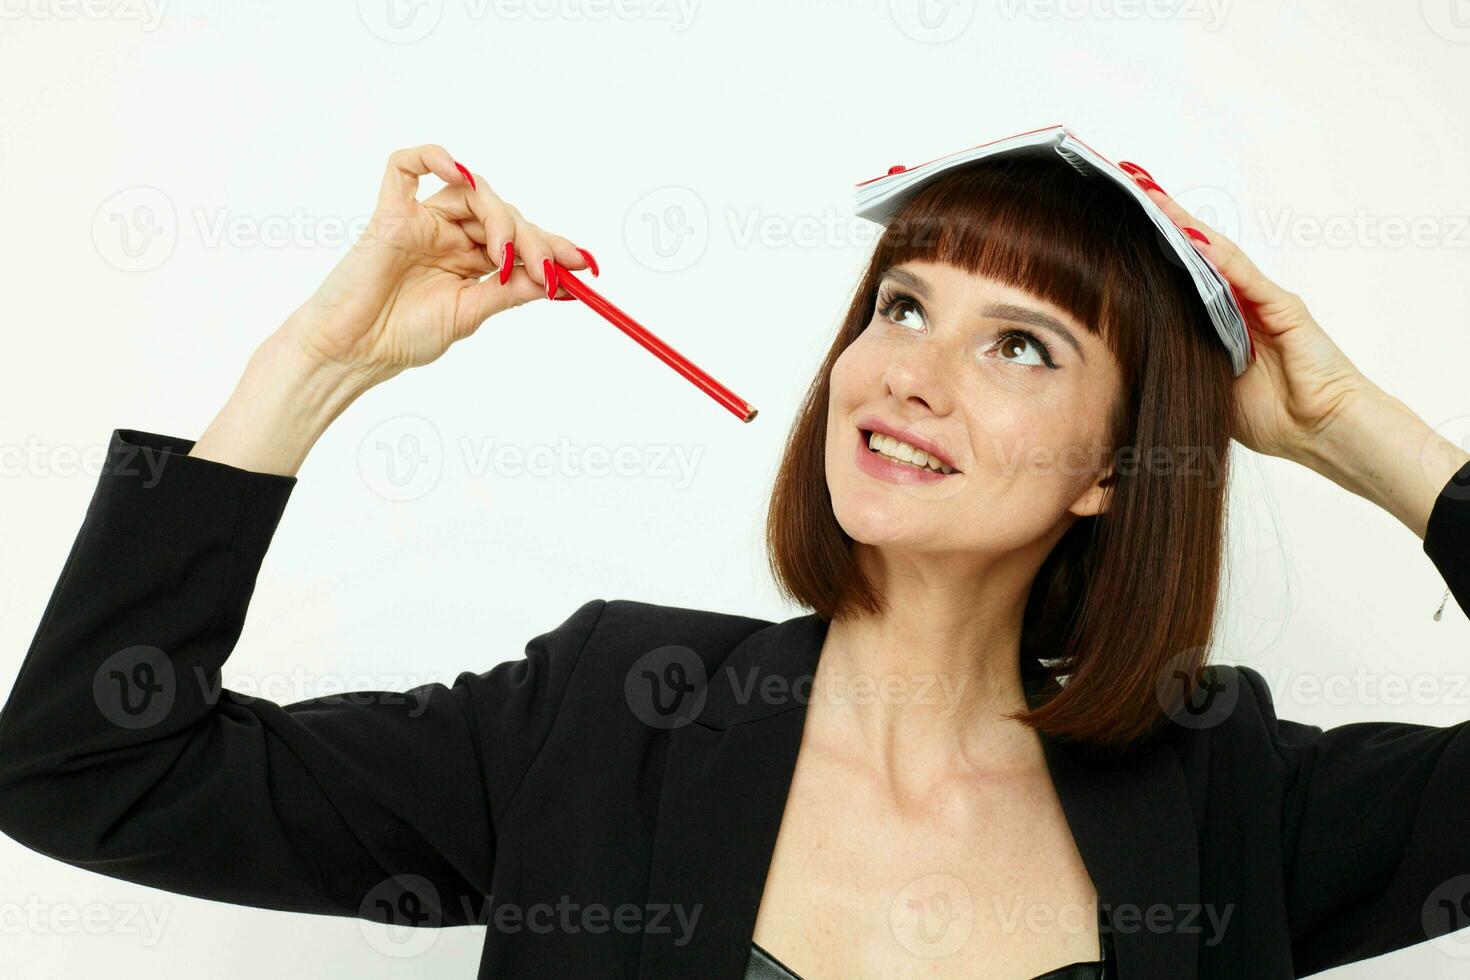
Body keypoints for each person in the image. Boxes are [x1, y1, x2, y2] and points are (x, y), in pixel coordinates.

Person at [0, 143, 1466, 979]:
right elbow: (83, 771)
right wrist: (316, 363)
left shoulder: (1224, 788)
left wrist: (1359, 433)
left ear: (1108, 470)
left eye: (1017, 344)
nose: (908, 372)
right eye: (900, 306)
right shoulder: (601, 718)